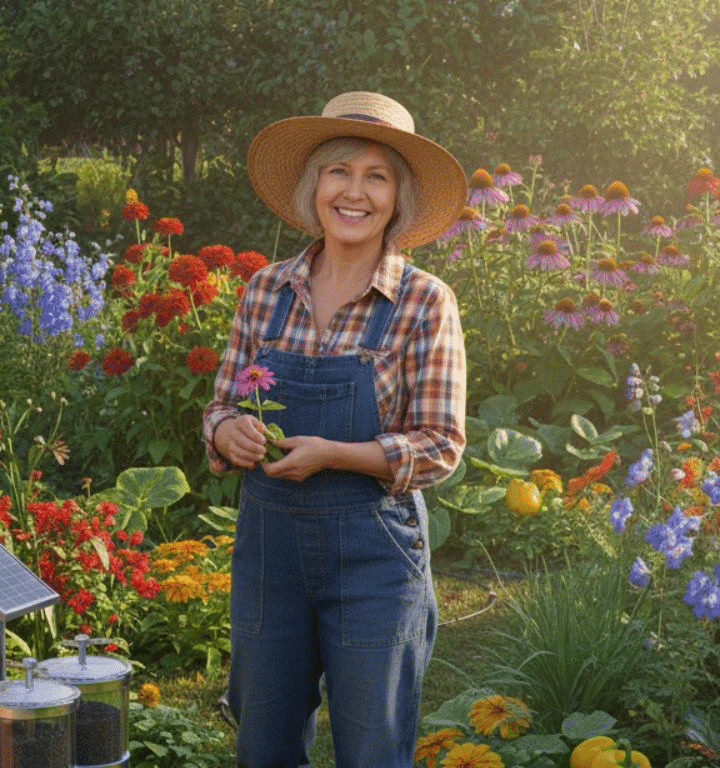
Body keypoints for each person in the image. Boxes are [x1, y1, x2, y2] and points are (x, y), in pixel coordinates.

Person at [203, 91, 468, 767]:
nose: (354, 192)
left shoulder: (422, 302)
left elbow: (441, 443)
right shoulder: (265, 289)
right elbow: (222, 404)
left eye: (376, 176)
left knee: (372, 747)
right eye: (338, 172)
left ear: (399, 197)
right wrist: (227, 432)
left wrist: (337, 455)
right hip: (270, 551)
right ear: (313, 187)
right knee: (262, 744)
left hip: (374, 553)